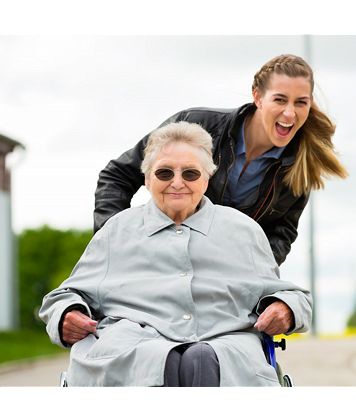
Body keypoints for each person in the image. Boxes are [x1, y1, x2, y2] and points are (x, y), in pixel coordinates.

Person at [39, 121, 312, 387]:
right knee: (160, 360)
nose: (177, 183)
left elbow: (293, 295)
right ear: (147, 180)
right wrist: (67, 313)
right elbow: (65, 296)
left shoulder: (243, 230)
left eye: (190, 173)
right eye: (165, 173)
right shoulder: (117, 231)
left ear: (206, 179)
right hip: (133, 343)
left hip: (224, 341)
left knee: (203, 359)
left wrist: (285, 308)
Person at [94, 54, 348, 266]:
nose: (289, 113)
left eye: (300, 102)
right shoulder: (195, 124)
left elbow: (280, 235)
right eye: (279, 99)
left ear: (310, 103)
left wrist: (252, 278)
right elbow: (117, 176)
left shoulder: (301, 167)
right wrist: (115, 245)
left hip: (220, 280)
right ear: (258, 97)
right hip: (160, 260)